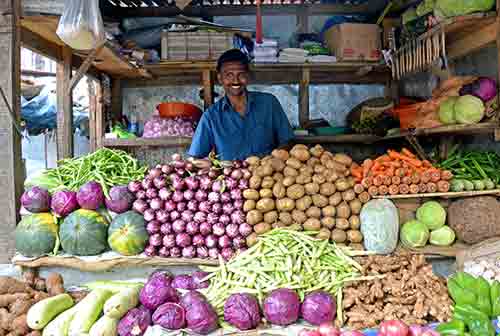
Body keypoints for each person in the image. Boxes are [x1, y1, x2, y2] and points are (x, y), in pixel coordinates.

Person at [187, 49, 294, 161]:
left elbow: (288, 140)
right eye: (229, 75)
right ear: (220, 78)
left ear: (248, 75)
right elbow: (196, 157)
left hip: (266, 175)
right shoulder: (211, 116)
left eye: (241, 74)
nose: (236, 80)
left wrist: (273, 161)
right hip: (231, 177)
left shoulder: (269, 103)